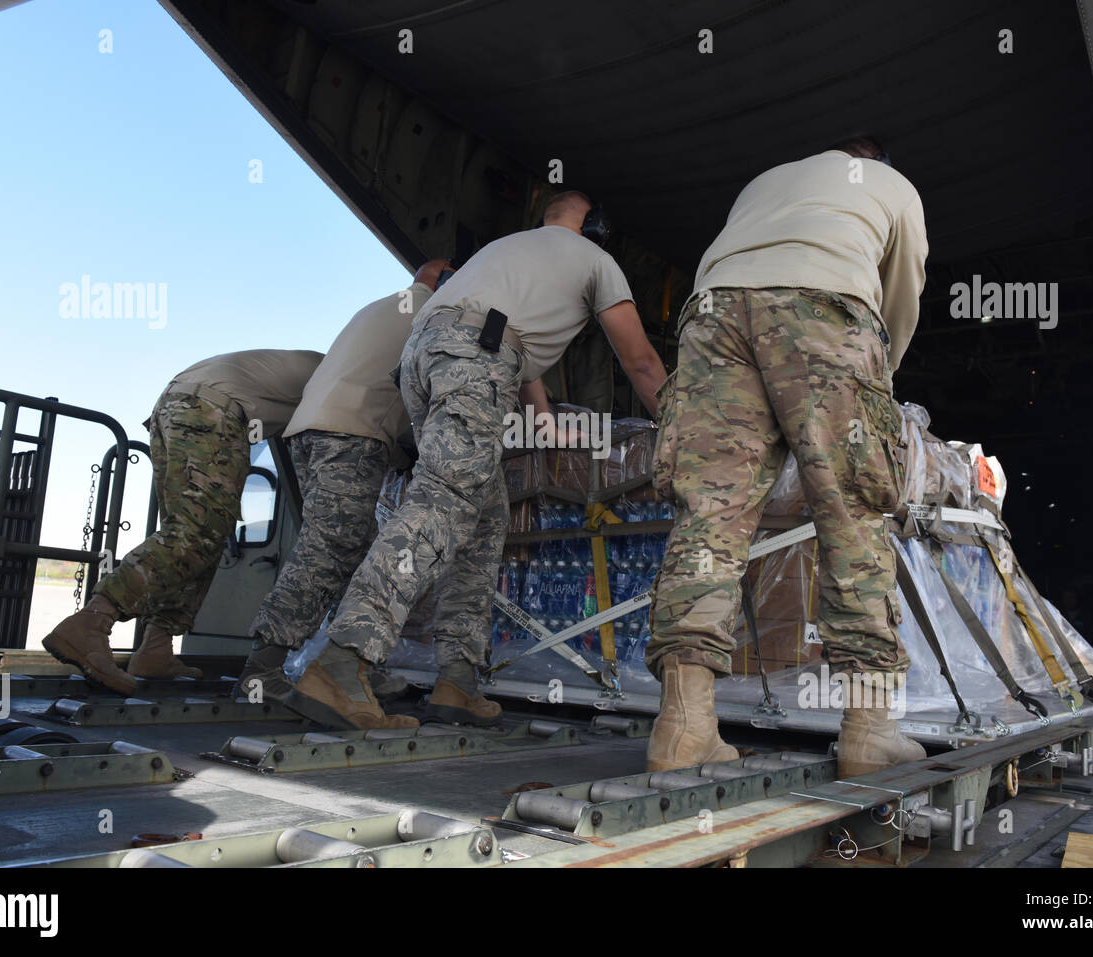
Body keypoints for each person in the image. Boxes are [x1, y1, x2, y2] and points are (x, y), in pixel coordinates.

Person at [283, 191, 667, 730]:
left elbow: (512, 348)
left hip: (427, 358)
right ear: (596, 225)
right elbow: (641, 360)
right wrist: (679, 424)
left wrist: (542, 420)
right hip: (475, 356)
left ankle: (456, 680)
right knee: (441, 505)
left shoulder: (508, 252)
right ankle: (341, 663)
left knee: (484, 521)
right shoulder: (596, 261)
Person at [646, 135, 930, 775]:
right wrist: (874, 388)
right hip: (826, 306)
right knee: (852, 510)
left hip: (713, 313)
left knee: (709, 515)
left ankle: (683, 727)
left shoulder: (765, 179)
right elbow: (901, 296)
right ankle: (868, 729)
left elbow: (712, 273)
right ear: (876, 162)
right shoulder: (894, 187)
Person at [236, 261, 452, 729]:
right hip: (351, 431)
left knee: (347, 547)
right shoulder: (434, 311)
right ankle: (263, 671)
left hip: (311, 430)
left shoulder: (380, 308)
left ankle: (345, 667)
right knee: (330, 549)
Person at [43, 349, 322, 694]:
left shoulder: (321, 367)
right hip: (211, 409)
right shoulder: (343, 374)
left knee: (203, 537)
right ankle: (92, 622)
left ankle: (155, 649)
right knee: (196, 532)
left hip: (182, 404)